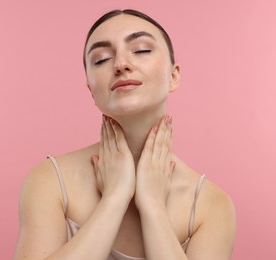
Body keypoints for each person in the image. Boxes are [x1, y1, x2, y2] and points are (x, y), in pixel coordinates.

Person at [14, 9, 236, 260]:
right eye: (101, 59)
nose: (121, 64)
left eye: (141, 50)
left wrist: (152, 205)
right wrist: (114, 198)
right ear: (91, 90)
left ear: (173, 76)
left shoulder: (211, 205)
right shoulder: (50, 180)